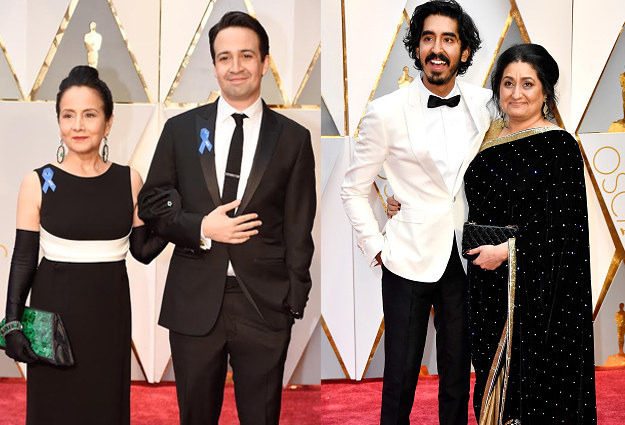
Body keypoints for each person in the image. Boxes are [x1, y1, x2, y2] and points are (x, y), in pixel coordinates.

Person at [388, 43, 598, 424]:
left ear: (546, 91)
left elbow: (567, 231)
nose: (516, 93)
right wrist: (399, 198)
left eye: (528, 84)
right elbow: (443, 184)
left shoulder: (559, 145)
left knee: (528, 382)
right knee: (486, 374)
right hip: (482, 284)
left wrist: (508, 252)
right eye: (507, 83)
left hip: (533, 291)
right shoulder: (482, 135)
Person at [138, 11, 316, 425]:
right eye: (224, 57)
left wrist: (294, 298)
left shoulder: (293, 139)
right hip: (194, 299)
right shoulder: (180, 130)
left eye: (246, 56)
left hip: (265, 305)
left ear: (265, 62)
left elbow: (298, 224)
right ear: (214, 64)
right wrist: (201, 227)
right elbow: (152, 203)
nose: (235, 67)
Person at [341, 1, 492, 423]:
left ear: (464, 50)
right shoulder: (386, 111)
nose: (437, 49)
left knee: (459, 375)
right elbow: (352, 189)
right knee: (401, 375)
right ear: (417, 47)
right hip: (405, 256)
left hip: (465, 257)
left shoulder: (486, 105)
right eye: (428, 38)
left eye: (448, 39)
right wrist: (376, 247)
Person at [0, 65, 166, 425]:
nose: (78, 125)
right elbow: (24, 259)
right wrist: (12, 322)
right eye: (68, 115)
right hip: (53, 317)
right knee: (54, 409)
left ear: (108, 123)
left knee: (105, 406)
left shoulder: (129, 179)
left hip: (109, 316)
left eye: (89, 115)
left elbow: (142, 250)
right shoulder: (38, 181)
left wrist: (173, 221)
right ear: (58, 121)